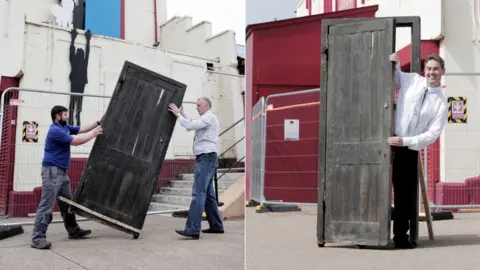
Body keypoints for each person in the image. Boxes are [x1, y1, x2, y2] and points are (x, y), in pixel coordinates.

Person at [388, 53, 448, 249]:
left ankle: (400, 238)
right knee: (376, 187)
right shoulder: (413, 80)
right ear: (425, 70)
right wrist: (395, 62)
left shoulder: (440, 102)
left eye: (436, 69)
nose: (432, 72)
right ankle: (376, 221)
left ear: (442, 72)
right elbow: (396, 76)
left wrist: (405, 141)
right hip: (387, 143)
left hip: (407, 150)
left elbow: (432, 134)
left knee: (405, 195)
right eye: (429, 68)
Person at [31, 105, 103, 249]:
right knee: (47, 204)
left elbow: (81, 129)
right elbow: (76, 141)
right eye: (64, 115)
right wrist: (94, 134)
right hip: (52, 171)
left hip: (61, 172)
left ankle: (73, 230)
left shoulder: (64, 127)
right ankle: (37, 237)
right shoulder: (55, 131)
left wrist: (98, 123)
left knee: (67, 204)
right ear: (57, 116)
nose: (66, 117)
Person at [168, 97, 224, 239]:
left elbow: (189, 126)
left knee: (198, 193)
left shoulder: (209, 117)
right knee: (209, 196)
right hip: (207, 158)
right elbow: (193, 122)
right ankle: (216, 226)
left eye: (198, 105)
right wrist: (184, 114)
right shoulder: (207, 118)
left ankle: (193, 229)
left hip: (206, 158)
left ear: (206, 105)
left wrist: (178, 114)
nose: (197, 107)